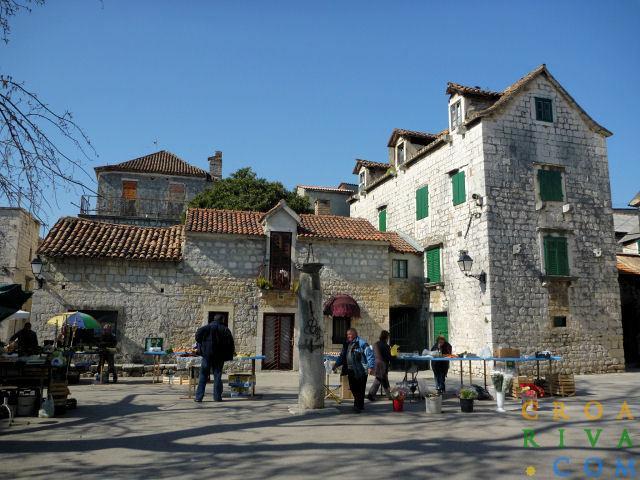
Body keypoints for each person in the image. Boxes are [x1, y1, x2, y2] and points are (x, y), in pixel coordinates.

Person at [333, 328, 375, 413]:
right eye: (347, 334)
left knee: (361, 388)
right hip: (350, 369)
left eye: (350, 334)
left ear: (355, 334)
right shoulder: (346, 344)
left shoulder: (362, 343)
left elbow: (370, 355)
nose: (348, 336)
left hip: (361, 370)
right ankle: (359, 404)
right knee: (353, 387)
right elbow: (342, 356)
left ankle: (358, 405)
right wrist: (336, 364)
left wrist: (371, 367)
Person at [195, 314, 235, 402]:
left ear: (214, 319)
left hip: (207, 355)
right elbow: (230, 343)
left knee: (203, 376)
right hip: (219, 357)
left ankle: (199, 397)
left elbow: (197, 336)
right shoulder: (225, 329)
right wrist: (229, 354)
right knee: (217, 376)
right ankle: (217, 397)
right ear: (222, 320)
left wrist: (202, 344)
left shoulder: (206, 328)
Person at [367, 330, 392, 401]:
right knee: (378, 380)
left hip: (377, 364)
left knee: (384, 380)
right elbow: (388, 357)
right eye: (388, 337)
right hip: (383, 365)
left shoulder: (375, 344)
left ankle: (389, 395)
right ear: (386, 337)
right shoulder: (386, 346)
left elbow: (372, 355)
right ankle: (371, 395)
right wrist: (394, 356)